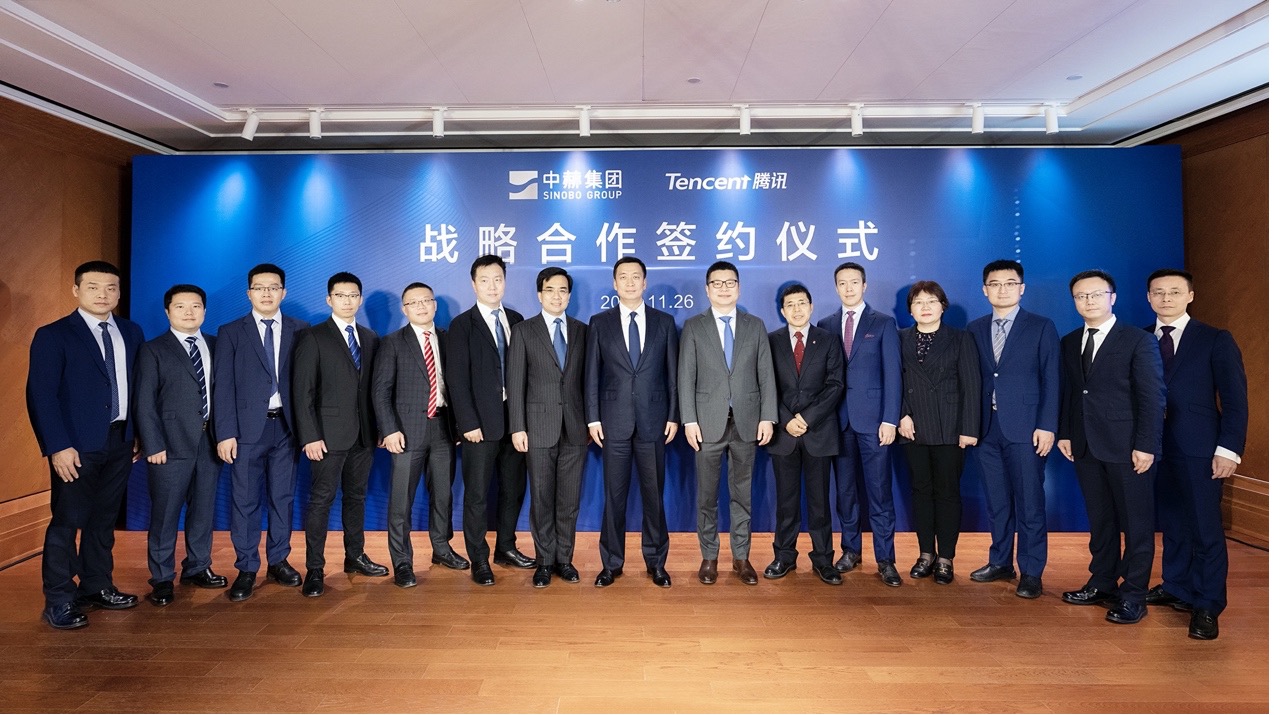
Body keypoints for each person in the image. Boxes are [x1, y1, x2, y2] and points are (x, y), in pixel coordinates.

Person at [27, 260, 144, 629]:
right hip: (75, 446)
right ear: (76, 290)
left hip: (120, 441)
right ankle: (59, 600)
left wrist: (138, 433)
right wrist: (57, 446)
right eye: (93, 287)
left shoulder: (131, 331)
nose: (102, 294)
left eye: (110, 287)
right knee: (67, 522)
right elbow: (41, 395)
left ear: (119, 292)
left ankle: (96, 586)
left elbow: (138, 387)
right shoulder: (54, 335)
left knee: (103, 521)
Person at [1143, 268, 1248, 640]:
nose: (1166, 298)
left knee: (1205, 528)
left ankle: (1207, 604)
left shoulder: (1215, 339)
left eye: (1174, 291)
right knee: (1172, 522)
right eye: (1158, 292)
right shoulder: (1139, 338)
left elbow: (1235, 400)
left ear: (1190, 296)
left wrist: (1229, 450)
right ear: (1149, 297)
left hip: (1201, 449)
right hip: (1153, 448)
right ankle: (1177, 586)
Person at [1057, 269, 1165, 625]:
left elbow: (1152, 397)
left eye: (1095, 294)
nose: (1088, 301)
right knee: (1101, 520)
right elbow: (1072, 393)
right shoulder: (1070, 341)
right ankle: (1102, 582)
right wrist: (1065, 432)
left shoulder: (1137, 340)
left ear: (1112, 297)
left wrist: (1146, 445)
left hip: (1128, 447)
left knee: (1136, 524)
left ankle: (1134, 595)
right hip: (1085, 445)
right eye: (1081, 296)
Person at [212, 263, 309, 602]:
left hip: (286, 427)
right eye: (260, 287)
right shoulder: (231, 332)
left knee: (283, 498)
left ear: (284, 292)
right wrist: (225, 432)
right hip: (245, 431)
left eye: (273, 287)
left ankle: (279, 561)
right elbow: (222, 385)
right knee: (245, 500)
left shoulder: (301, 329)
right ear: (249, 293)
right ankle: (247, 567)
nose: (267, 293)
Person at [679, 261, 777, 586]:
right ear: (707, 289)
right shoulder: (694, 326)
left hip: (747, 422)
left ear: (739, 287)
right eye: (717, 283)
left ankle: (741, 557)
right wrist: (689, 420)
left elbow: (766, 374)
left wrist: (768, 416)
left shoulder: (755, 325)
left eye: (730, 282)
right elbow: (685, 377)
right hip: (706, 424)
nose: (724, 288)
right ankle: (709, 557)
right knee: (707, 497)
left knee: (742, 495)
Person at [292, 272, 389, 597]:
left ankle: (355, 556)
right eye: (340, 295)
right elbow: (302, 392)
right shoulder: (313, 336)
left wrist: (379, 427)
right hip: (326, 436)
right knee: (321, 501)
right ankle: (314, 569)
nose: (347, 301)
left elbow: (375, 389)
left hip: (364, 435)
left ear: (360, 299)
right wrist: (309, 436)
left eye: (353, 295)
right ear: (329, 299)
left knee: (356, 498)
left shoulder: (370, 337)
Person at [967, 260, 1060, 599]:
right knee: (997, 502)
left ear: (1021, 288)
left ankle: (1032, 571)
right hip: (986, 429)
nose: (1002, 289)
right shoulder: (975, 328)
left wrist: (1047, 425)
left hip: (1026, 428)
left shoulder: (1041, 326)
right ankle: (1000, 561)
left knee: (1030, 503)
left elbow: (1052, 378)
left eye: (1009, 283)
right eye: (995, 284)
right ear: (985, 290)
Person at [585, 257, 678, 589]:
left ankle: (657, 562)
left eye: (635, 277)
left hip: (654, 421)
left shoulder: (664, 322)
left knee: (654, 497)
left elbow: (672, 374)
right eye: (623, 277)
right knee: (614, 497)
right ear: (614, 283)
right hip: (614, 422)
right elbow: (591, 375)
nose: (629, 282)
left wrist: (674, 415)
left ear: (645, 282)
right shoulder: (600, 323)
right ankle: (611, 563)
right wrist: (592, 418)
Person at [134, 284, 226, 607]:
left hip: (210, 443)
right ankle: (161, 578)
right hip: (169, 446)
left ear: (204, 310)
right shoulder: (153, 349)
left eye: (196, 306)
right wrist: (152, 444)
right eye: (181, 306)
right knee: (165, 514)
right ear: (167, 311)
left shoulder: (216, 345)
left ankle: (198, 567)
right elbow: (144, 401)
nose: (189, 312)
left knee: (203, 510)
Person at [445, 254, 534, 586]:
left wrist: (523, 420)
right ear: (473, 284)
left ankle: (506, 547)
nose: (492, 286)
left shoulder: (517, 319)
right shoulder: (462, 325)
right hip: (479, 426)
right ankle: (479, 558)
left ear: (505, 281)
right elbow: (456, 379)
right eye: (485, 280)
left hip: (515, 423)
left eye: (498, 279)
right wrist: (467, 423)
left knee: (513, 489)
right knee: (477, 495)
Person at [372, 282, 468, 589]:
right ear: (404, 309)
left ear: (435, 305)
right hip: (405, 431)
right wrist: (389, 429)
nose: (421, 306)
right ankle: (402, 561)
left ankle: (441, 549)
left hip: (443, 429)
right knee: (401, 500)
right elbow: (380, 391)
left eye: (426, 300)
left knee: (443, 494)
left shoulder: (448, 339)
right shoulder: (392, 343)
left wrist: (458, 425)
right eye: (414, 303)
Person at [816, 262, 903, 587]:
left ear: (864, 285)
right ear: (836, 287)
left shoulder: (883, 323)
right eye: (842, 283)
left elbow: (893, 375)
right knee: (845, 493)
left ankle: (886, 559)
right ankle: (850, 550)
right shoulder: (825, 325)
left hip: (874, 422)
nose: (849, 288)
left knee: (880, 493)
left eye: (854, 282)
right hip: (837, 422)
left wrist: (890, 419)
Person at [507, 267, 590, 588]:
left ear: (569, 295)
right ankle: (544, 561)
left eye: (563, 290)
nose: (557, 296)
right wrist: (518, 427)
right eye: (550, 290)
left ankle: (564, 560)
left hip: (575, 429)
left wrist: (590, 421)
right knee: (542, 498)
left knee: (569, 500)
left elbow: (588, 382)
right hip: (537, 428)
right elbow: (515, 383)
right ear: (539, 295)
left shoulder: (582, 331)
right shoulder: (524, 331)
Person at [896, 281, 981, 585]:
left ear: (943, 306)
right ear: (910, 309)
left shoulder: (960, 338)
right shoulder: (900, 338)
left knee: (947, 492)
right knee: (920, 491)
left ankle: (945, 557)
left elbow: (971, 385)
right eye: (918, 302)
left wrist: (969, 428)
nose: (925, 307)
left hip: (950, 427)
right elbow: (894, 380)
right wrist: (901, 414)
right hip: (912, 427)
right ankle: (925, 554)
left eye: (932, 301)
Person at [765, 284, 845, 586]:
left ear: (811, 307)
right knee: (786, 503)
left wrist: (807, 418)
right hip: (783, 434)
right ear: (782, 310)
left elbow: (835, 384)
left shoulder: (828, 340)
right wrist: (787, 420)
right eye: (790, 304)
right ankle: (784, 556)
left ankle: (823, 560)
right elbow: (765, 385)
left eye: (802, 303)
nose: (797, 309)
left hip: (818, 432)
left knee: (819, 503)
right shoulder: (771, 341)